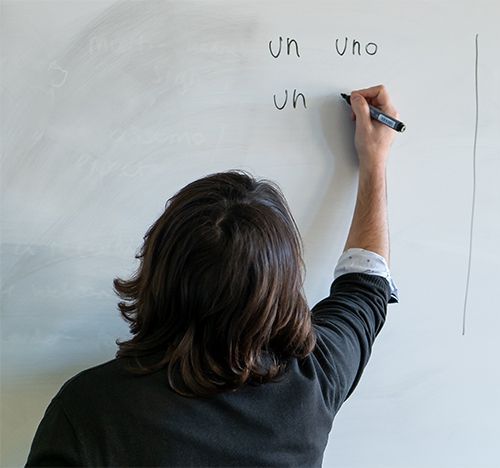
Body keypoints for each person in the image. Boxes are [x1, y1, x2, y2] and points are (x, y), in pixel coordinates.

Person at [26, 85, 399, 467]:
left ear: (158, 270)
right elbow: (366, 284)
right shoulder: (312, 384)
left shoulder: (90, 411)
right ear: (283, 290)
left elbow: (365, 286)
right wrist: (376, 160)